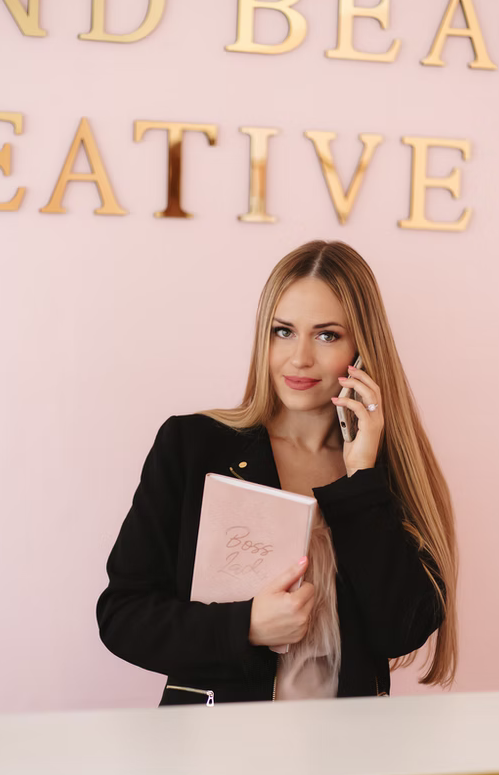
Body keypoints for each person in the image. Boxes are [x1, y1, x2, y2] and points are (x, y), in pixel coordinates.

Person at [96, 240, 458, 705]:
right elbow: (122, 616)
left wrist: (361, 477)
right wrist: (244, 626)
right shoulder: (191, 445)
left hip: (351, 749)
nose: (299, 358)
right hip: (215, 750)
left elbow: (399, 632)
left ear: (364, 349)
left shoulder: (384, 473)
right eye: (283, 331)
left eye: (327, 335)